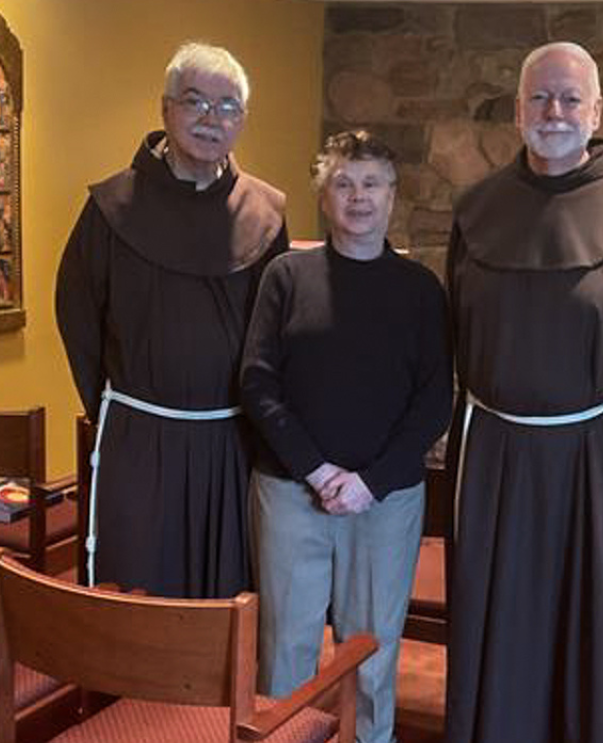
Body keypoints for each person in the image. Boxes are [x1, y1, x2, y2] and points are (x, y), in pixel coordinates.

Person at [444, 42, 603, 743]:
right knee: (505, 616)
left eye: (570, 98)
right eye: (541, 98)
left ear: (597, 111)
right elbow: (458, 328)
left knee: (602, 621)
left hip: (602, 457)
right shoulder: (475, 211)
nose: (554, 112)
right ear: (518, 111)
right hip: (499, 456)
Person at [241, 130, 452, 743]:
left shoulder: (420, 291)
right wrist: (319, 472)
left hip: (385, 502)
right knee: (285, 647)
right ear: (323, 196)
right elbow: (257, 383)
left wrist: (369, 482)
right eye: (343, 183)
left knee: (372, 652)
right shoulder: (286, 276)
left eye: (371, 183)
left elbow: (434, 401)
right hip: (290, 491)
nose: (358, 197)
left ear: (392, 196)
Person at [56, 42, 288, 598]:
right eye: (195, 102)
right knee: (134, 587)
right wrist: (117, 403)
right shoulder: (112, 206)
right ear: (165, 109)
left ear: (243, 120)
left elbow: (276, 332)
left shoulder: (265, 212)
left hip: (230, 438)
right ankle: (121, 690)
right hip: (140, 433)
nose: (212, 119)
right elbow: (78, 312)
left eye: (227, 106)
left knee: (225, 592)